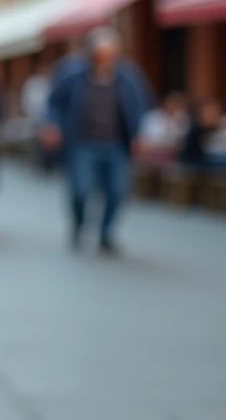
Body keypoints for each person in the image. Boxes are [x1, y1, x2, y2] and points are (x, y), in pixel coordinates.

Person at [42, 27, 154, 254]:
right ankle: (79, 224)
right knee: (80, 190)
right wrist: (52, 125)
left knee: (117, 191)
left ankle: (105, 234)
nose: (104, 58)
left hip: (116, 144)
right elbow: (54, 102)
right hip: (83, 143)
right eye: (100, 53)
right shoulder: (73, 73)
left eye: (109, 53)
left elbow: (142, 105)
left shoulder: (128, 76)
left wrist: (139, 134)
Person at [136, 91, 189, 165]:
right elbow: (145, 140)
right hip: (150, 154)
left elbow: (179, 142)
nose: (174, 107)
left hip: (172, 157)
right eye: (173, 103)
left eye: (178, 105)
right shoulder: (152, 117)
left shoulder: (182, 120)